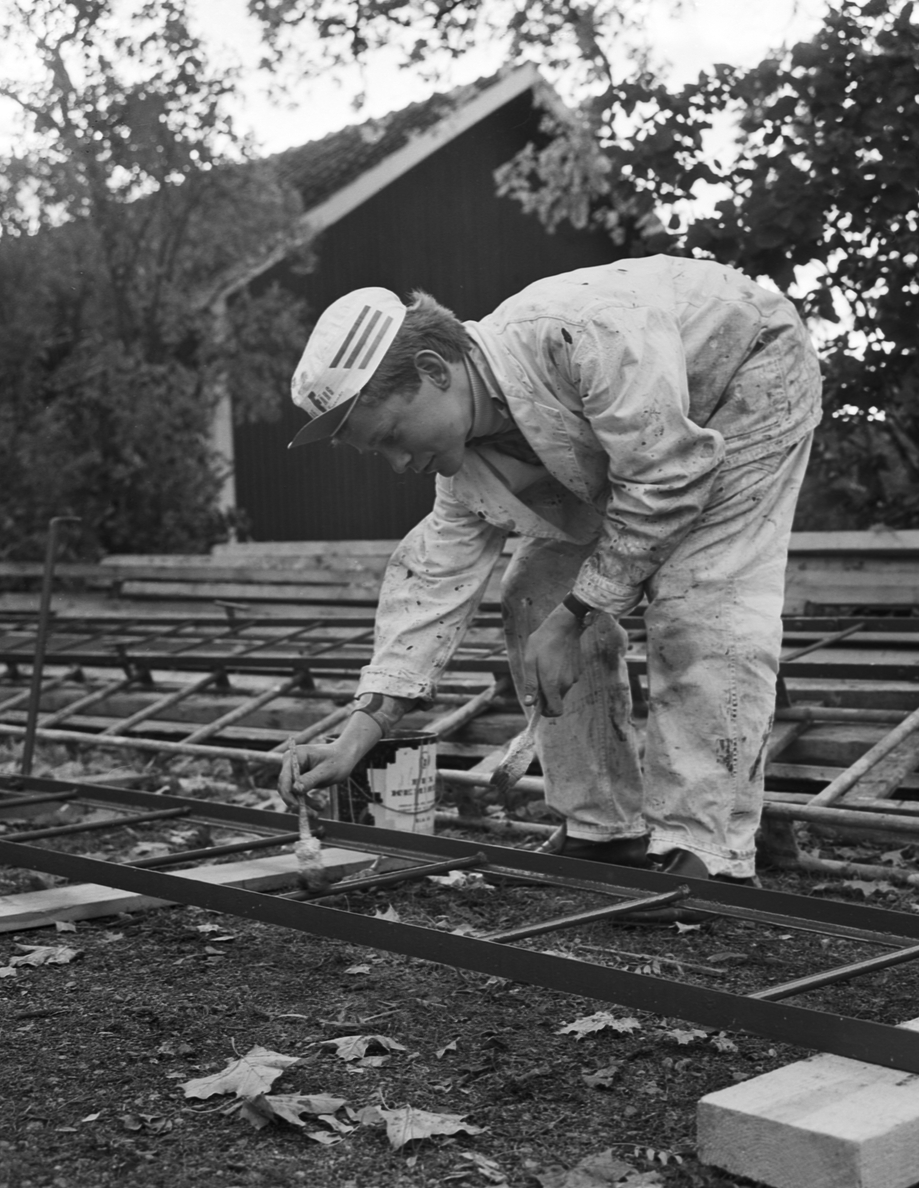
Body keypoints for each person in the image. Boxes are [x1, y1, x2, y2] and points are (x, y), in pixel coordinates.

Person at [277, 255, 821, 916]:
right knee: (534, 590)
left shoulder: (579, 331)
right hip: (645, 448)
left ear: (432, 370)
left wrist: (581, 614)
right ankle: (603, 831)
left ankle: (706, 858)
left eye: (392, 435)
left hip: (744, 378)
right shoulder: (465, 464)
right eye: (377, 452)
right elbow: (431, 587)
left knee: (699, 602)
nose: (396, 463)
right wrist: (361, 730)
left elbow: (669, 475)